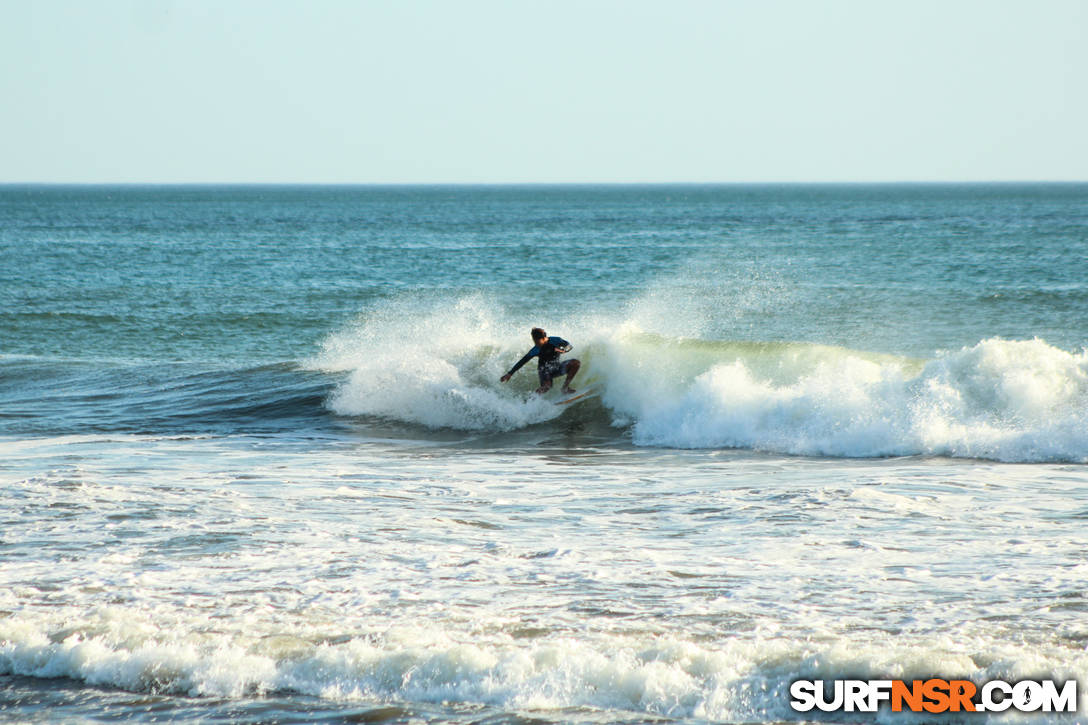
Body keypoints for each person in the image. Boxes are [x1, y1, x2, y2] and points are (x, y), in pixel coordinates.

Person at [500, 327, 581, 395]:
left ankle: (565, 388)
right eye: (534, 341)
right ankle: (532, 400)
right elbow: (523, 361)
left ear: (543, 338)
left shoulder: (556, 340)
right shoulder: (536, 349)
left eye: (537, 342)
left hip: (556, 367)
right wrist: (510, 373)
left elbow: (569, 346)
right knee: (547, 386)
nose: (536, 344)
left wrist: (563, 350)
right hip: (544, 371)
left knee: (575, 363)